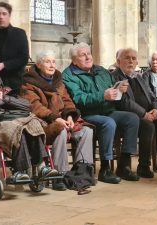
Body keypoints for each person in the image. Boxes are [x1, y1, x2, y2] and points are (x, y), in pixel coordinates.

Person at [62, 42, 140, 184]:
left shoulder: (101, 71)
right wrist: (102, 96)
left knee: (132, 118)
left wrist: (119, 91)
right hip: (86, 114)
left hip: (107, 110)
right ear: (74, 60)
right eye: (82, 55)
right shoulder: (68, 75)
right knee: (108, 123)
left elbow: (112, 93)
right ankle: (105, 169)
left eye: (89, 54)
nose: (87, 57)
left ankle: (124, 165)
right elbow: (78, 99)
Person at [21, 50, 94, 191]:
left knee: (86, 131)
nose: (52, 65)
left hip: (63, 119)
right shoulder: (28, 82)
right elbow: (35, 106)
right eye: (47, 62)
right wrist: (56, 119)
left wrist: (70, 116)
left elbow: (67, 101)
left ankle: (81, 173)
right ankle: (59, 175)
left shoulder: (58, 81)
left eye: (54, 62)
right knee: (59, 131)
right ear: (38, 64)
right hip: (43, 123)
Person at [0, 70, 57, 180]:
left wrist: (5, 98)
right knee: (16, 128)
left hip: (13, 121)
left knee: (33, 123)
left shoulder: (6, 92)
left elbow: (28, 106)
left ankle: (42, 167)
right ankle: (20, 170)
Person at [112, 48, 157, 177]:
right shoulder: (114, 77)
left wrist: (155, 109)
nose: (131, 61)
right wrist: (144, 114)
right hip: (130, 117)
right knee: (148, 125)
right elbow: (124, 102)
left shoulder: (138, 76)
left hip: (149, 114)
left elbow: (152, 96)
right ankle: (143, 166)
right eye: (127, 58)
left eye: (134, 58)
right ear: (118, 61)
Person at [0, 2, 29, 95]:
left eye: (4, 14)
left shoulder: (19, 34)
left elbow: (24, 59)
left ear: (9, 15)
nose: (1, 17)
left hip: (16, 82)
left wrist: (3, 65)